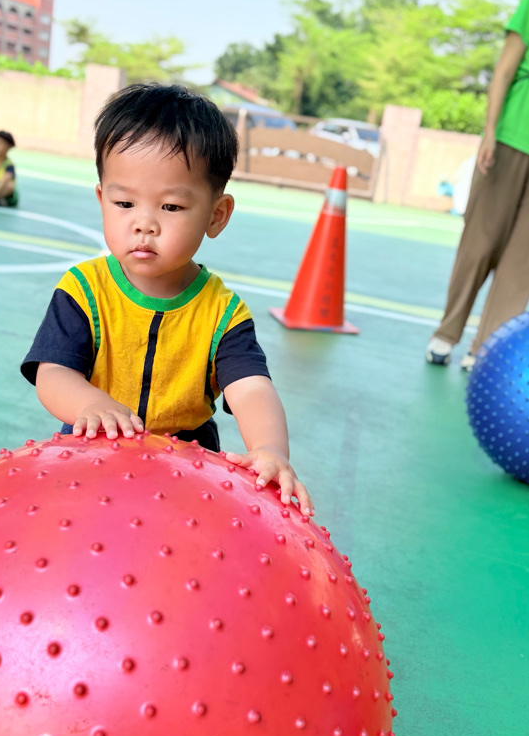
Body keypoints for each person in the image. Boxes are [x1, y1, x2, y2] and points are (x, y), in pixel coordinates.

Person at [21, 83, 313, 513]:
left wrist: (270, 448)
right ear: (102, 200)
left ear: (216, 215)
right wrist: (92, 404)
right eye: (124, 203)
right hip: (93, 452)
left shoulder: (222, 312)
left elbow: (250, 387)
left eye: (171, 207)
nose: (144, 224)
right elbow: (53, 372)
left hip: (187, 474)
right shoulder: (84, 289)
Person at [427, 0, 529, 372]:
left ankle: (487, 348)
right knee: (480, 243)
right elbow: (504, 70)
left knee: (524, 258)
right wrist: (489, 131)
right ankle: (447, 333)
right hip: (510, 138)